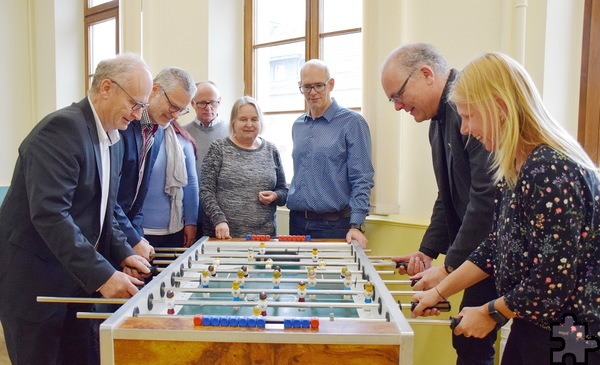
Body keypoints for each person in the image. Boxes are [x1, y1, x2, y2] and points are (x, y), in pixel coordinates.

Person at [413, 51, 600, 365]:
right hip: (533, 322)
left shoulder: (549, 170)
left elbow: (550, 284)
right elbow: (495, 245)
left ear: (499, 107)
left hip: (572, 329)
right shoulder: (514, 165)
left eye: (469, 116)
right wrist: (441, 291)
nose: (464, 129)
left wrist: (490, 313)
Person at [0, 53, 153, 365]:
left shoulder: (115, 138)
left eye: (143, 107)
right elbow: (50, 213)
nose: (138, 115)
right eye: (135, 103)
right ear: (106, 87)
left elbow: (105, 209)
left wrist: (123, 251)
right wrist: (102, 273)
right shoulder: (61, 129)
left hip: (76, 280)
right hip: (36, 282)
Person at [380, 43, 498, 364]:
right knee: (467, 339)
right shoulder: (438, 120)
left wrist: (447, 271)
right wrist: (428, 252)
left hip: (503, 256)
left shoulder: (470, 106)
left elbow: (485, 201)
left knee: (478, 343)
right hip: (485, 252)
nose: (397, 106)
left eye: (398, 95)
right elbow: (448, 196)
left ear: (426, 74)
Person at [286, 59, 374, 248]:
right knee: (297, 277)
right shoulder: (298, 125)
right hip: (297, 222)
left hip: (333, 225)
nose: (313, 92)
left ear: (331, 84)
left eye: (319, 85)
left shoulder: (352, 123)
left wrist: (356, 224)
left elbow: (362, 177)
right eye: (307, 87)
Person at [114, 67, 195, 259]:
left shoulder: (157, 131)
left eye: (181, 111)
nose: (175, 115)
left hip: (129, 231)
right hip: (110, 234)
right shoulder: (123, 125)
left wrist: (136, 238)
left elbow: (137, 199)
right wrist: (132, 240)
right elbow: (109, 197)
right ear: (155, 89)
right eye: (173, 106)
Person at [201, 96, 288, 239]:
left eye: (254, 119)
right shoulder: (218, 148)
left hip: (263, 238)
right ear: (233, 122)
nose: (249, 124)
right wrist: (219, 220)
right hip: (225, 236)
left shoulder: (271, 150)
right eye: (243, 119)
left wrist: (276, 196)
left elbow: (283, 191)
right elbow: (206, 191)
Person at [142, 119, 200, 248]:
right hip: (139, 231)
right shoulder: (140, 137)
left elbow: (191, 184)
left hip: (174, 230)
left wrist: (191, 223)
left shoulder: (183, 140)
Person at [183, 81, 229, 238]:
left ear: (219, 102)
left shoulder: (232, 133)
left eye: (213, 102)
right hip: (191, 216)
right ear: (192, 103)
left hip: (224, 217)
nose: (208, 108)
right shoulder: (182, 133)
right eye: (202, 103)